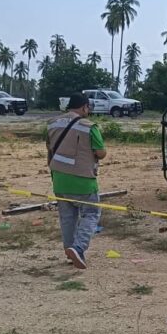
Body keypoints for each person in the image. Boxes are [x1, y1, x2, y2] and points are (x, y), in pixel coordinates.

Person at [46, 93, 107, 269]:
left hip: (59, 178)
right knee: (91, 213)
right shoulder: (89, 127)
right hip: (82, 180)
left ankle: (69, 251)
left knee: (67, 217)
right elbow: (101, 152)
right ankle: (78, 249)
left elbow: (49, 150)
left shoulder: (52, 124)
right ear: (84, 107)